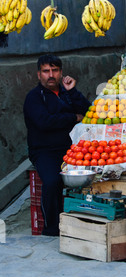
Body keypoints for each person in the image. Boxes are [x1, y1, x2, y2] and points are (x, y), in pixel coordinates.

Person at [23, 54, 91, 236]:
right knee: (52, 181)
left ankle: (82, 221)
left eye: (55, 70)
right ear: (39, 75)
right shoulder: (34, 98)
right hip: (44, 151)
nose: (51, 75)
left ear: (61, 73)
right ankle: (51, 227)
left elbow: (87, 110)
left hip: (70, 149)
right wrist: (73, 118)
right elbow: (44, 122)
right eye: (46, 71)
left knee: (91, 177)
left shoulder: (66, 92)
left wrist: (72, 91)